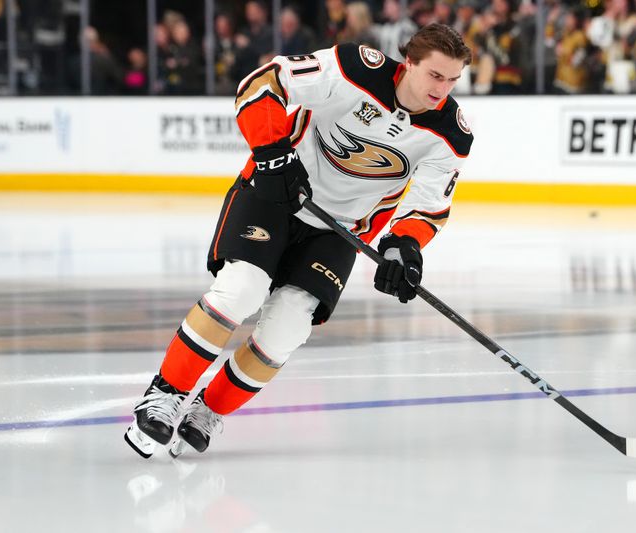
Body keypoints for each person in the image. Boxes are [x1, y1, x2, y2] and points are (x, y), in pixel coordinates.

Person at [125, 23, 474, 459]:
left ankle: (207, 411)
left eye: (453, 79)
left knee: (288, 328)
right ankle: (164, 394)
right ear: (408, 64)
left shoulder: (451, 134)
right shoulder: (353, 69)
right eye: (435, 76)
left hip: (339, 230)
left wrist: (404, 246)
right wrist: (272, 152)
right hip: (276, 196)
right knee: (241, 290)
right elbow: (263, 83)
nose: (443, 89)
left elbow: (428, 207)